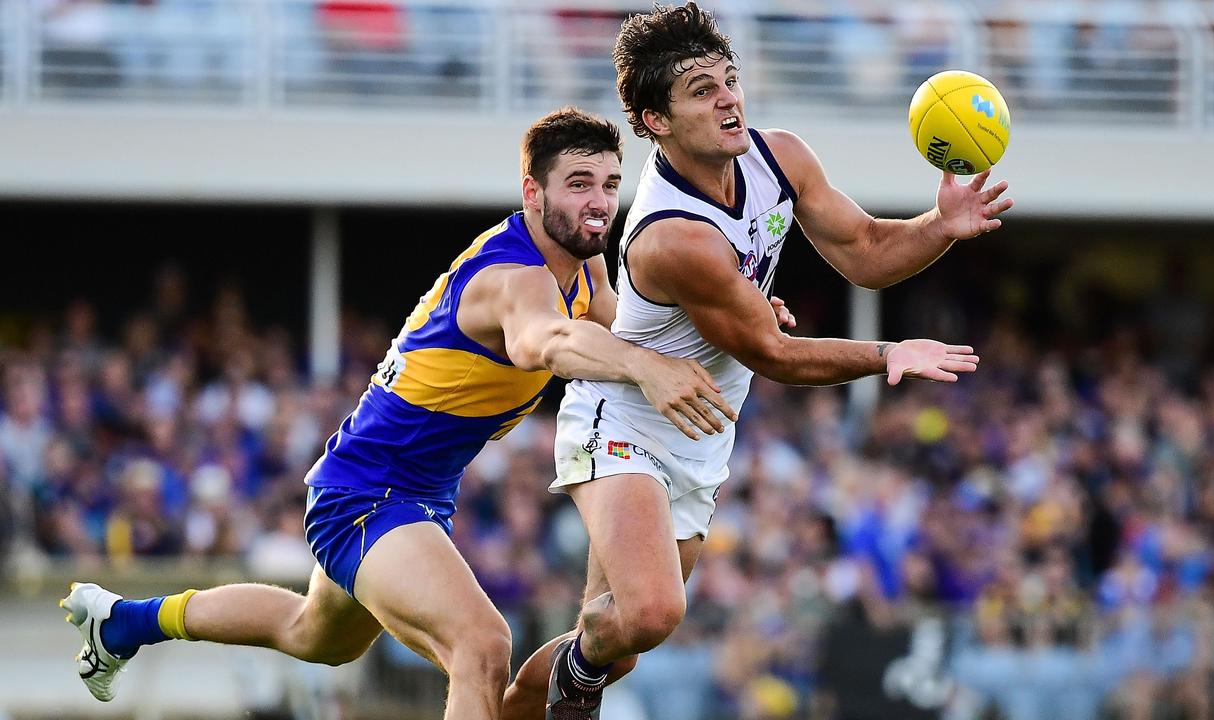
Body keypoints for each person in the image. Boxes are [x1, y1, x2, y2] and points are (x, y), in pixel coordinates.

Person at [59, 106, 741, 720]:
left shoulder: (582, 268)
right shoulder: (517, 279)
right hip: (368, 493)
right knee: (481, 644)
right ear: (533, 193)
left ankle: (122, 621)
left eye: (609, 183)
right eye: (579, 184)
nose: (599, 203)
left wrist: (738, 323)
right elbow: (551, 342)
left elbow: (630, 336)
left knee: (313, 636)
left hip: (406, 493)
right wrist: (647, 368)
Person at [501, 4, 1013, 719]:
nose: (728, 97)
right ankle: (575, 689)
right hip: (623, 420)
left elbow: (865, 250)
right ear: (656, 121)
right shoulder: (672, 234)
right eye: (701, 89)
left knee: (620, 640)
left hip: (702, 430)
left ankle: (519, 705)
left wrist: (941, 226)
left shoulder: (781, 158)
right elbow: (774, 354)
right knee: (649, 614)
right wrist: (888, 351)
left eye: (730, 79)